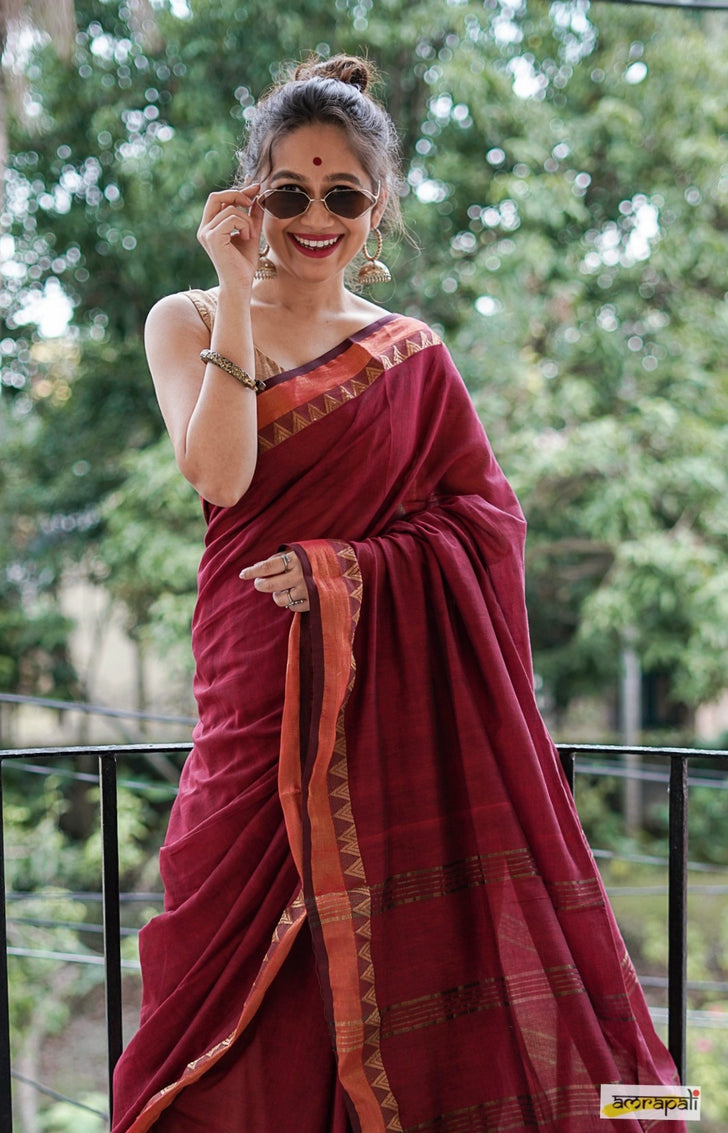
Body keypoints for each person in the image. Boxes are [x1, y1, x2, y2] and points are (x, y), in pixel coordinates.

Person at [111, 55, 685, 1133]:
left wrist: (351, 571)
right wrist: (238, 288)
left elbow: (482, 528)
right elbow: (220, 476)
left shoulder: (409, 356)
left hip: (378, 693)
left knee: (392, 961)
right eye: (287, 192)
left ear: (378, 208)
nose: (313, 216)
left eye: (340, 194)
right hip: (251, 697)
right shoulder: (185, 316)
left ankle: (634, 1103)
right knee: (215, 961)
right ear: (250, 197)